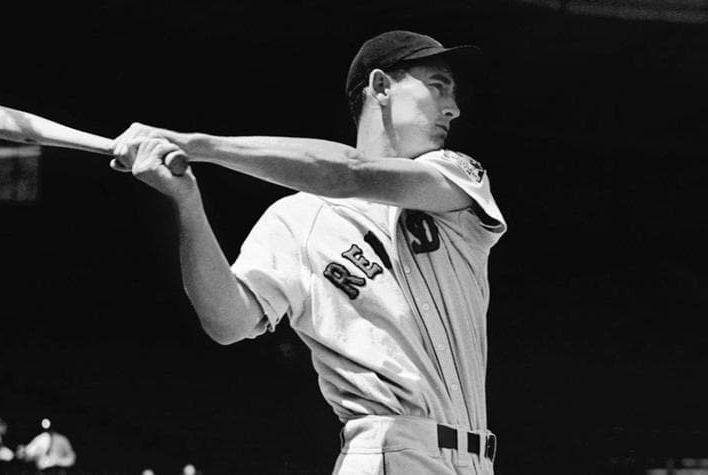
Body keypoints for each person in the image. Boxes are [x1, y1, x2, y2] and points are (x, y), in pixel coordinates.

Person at [112, 30, 506, 474]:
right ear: (380, 87)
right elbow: (228, 322)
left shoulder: (456, 175)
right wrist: (187, 203)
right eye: (438, 85)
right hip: (386, 453)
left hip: (475, 459)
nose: (454, 107)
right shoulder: (298, 220)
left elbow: (352, 174)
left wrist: (198, 145)